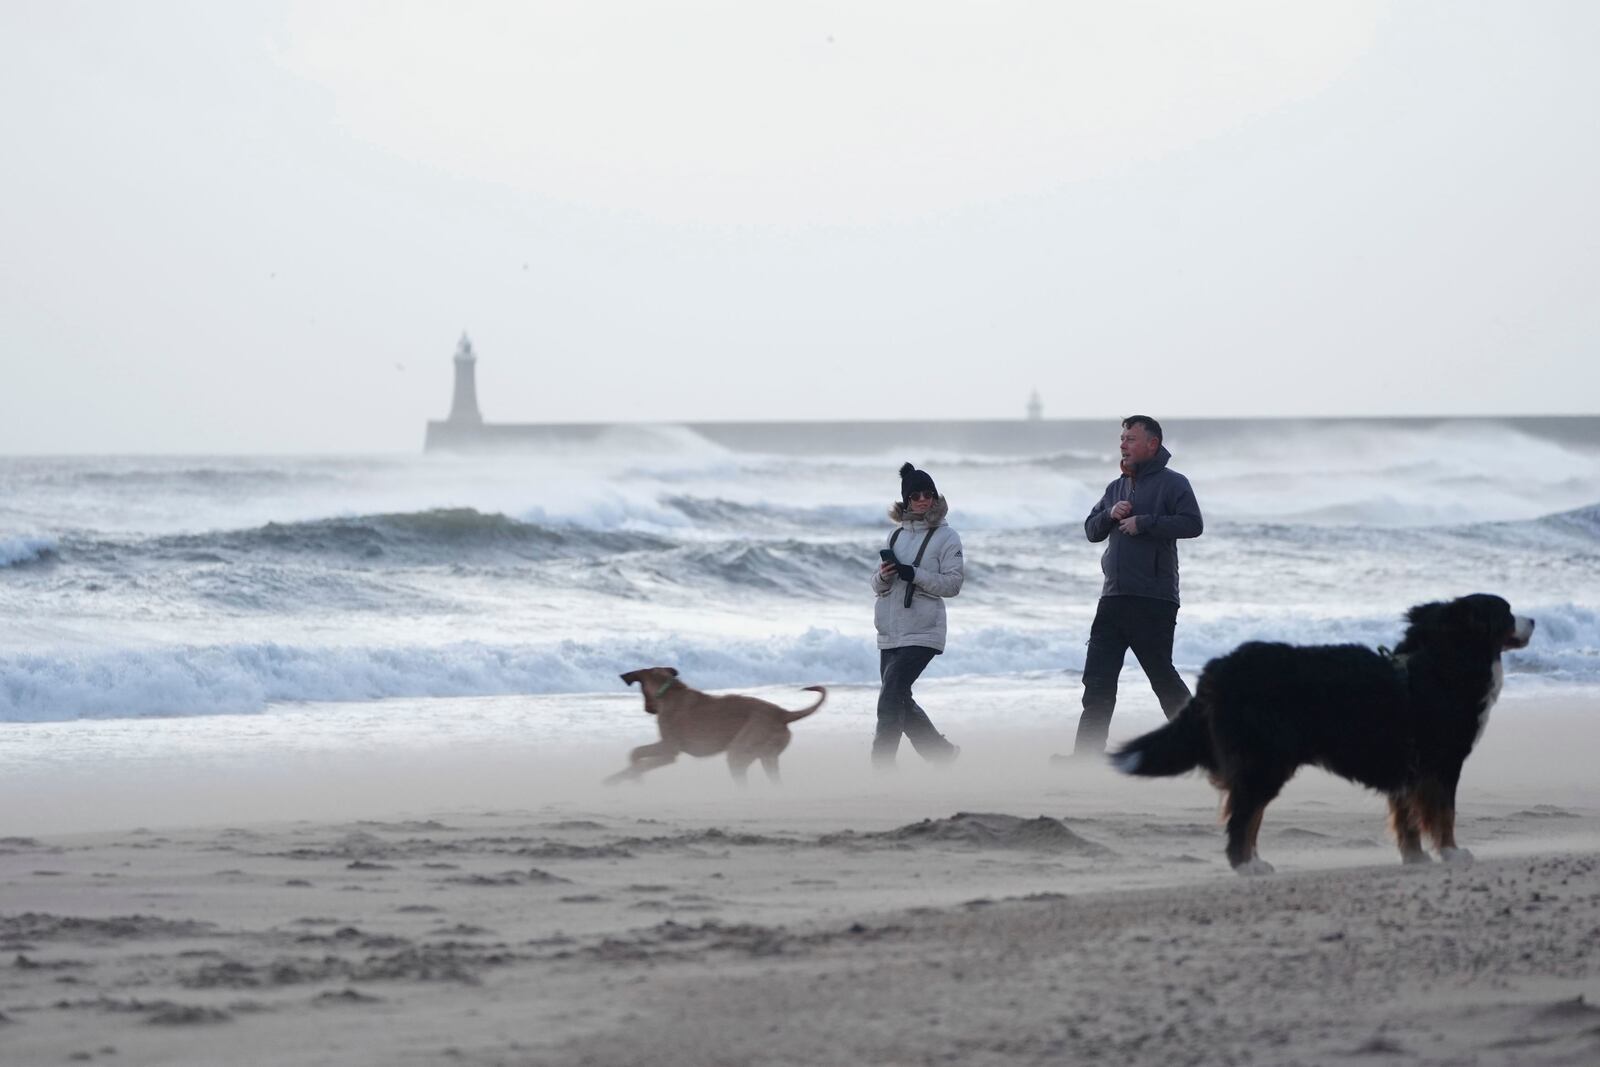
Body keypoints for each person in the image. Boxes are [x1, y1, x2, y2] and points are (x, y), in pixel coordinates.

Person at [1064, 415, 1203, 760]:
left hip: (1153, 599)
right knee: (1096, 683)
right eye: (1122, 438)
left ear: (1152, 444)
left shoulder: (1174, 484)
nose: (1123, 444)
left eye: (1130, 438)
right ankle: (1086, 758)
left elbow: (1193, 524)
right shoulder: (1116, 487)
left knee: (1162, 679)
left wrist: (1146, 522)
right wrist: (1111, 514)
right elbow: (1091, 530)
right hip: (1113, 597)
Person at [871, 462, 963, 767]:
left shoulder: (947, 537)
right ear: (906, 500)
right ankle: (941, 754)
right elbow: (876, 584)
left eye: (929, 494)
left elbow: (953, 584)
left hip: (924, 631)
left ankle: (880, 767)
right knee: (899, 698)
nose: (923, 500)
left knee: (889, 698)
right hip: (891, 631)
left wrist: (914, 574)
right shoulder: (894, 537)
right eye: (916, 495)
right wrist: (884, 576)